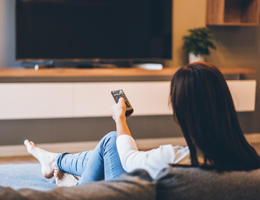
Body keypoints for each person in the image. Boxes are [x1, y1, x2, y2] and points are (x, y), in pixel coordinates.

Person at [24, 62, 260, 187]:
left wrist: (119, 119)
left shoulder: (172, 158)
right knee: (109, 149)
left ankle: (73, 185)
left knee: (111, 142)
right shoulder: (250, 159)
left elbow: (128, 159)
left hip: (125, 196)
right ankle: (55, 160)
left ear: (180, 112)